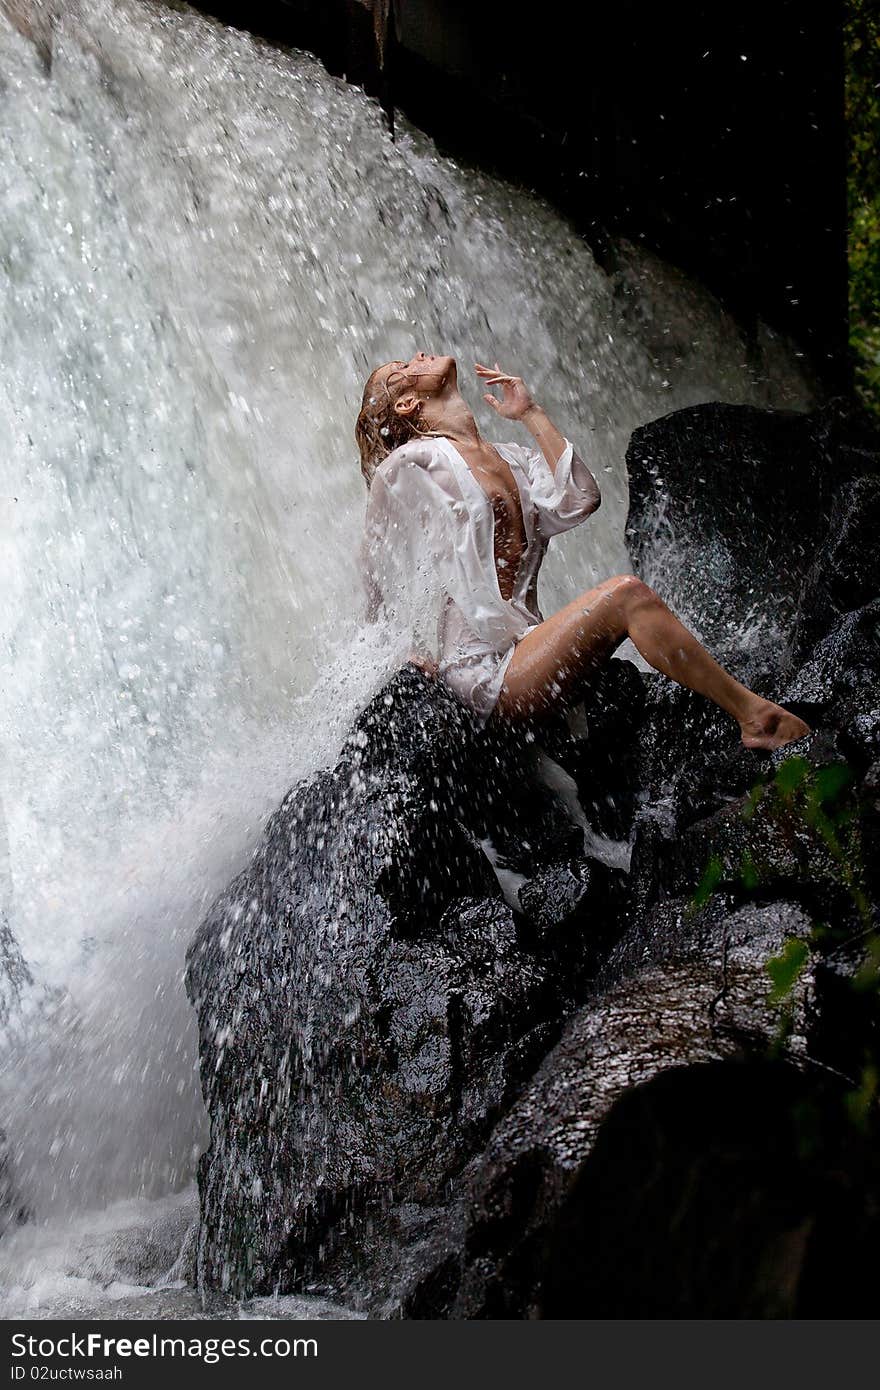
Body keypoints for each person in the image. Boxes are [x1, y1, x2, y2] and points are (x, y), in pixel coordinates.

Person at [356, 352, 810, 751]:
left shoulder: (509, 457)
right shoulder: (409, 464)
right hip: (482, 672)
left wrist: (531, 412)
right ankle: (755, 718)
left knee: (624, 599)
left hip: (528, 649)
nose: (416, 355)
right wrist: (402, 656)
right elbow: (374, 564)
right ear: (406, 404)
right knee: (626, 596)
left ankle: (752, 715)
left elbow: (578, 500)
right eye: (402, 368)